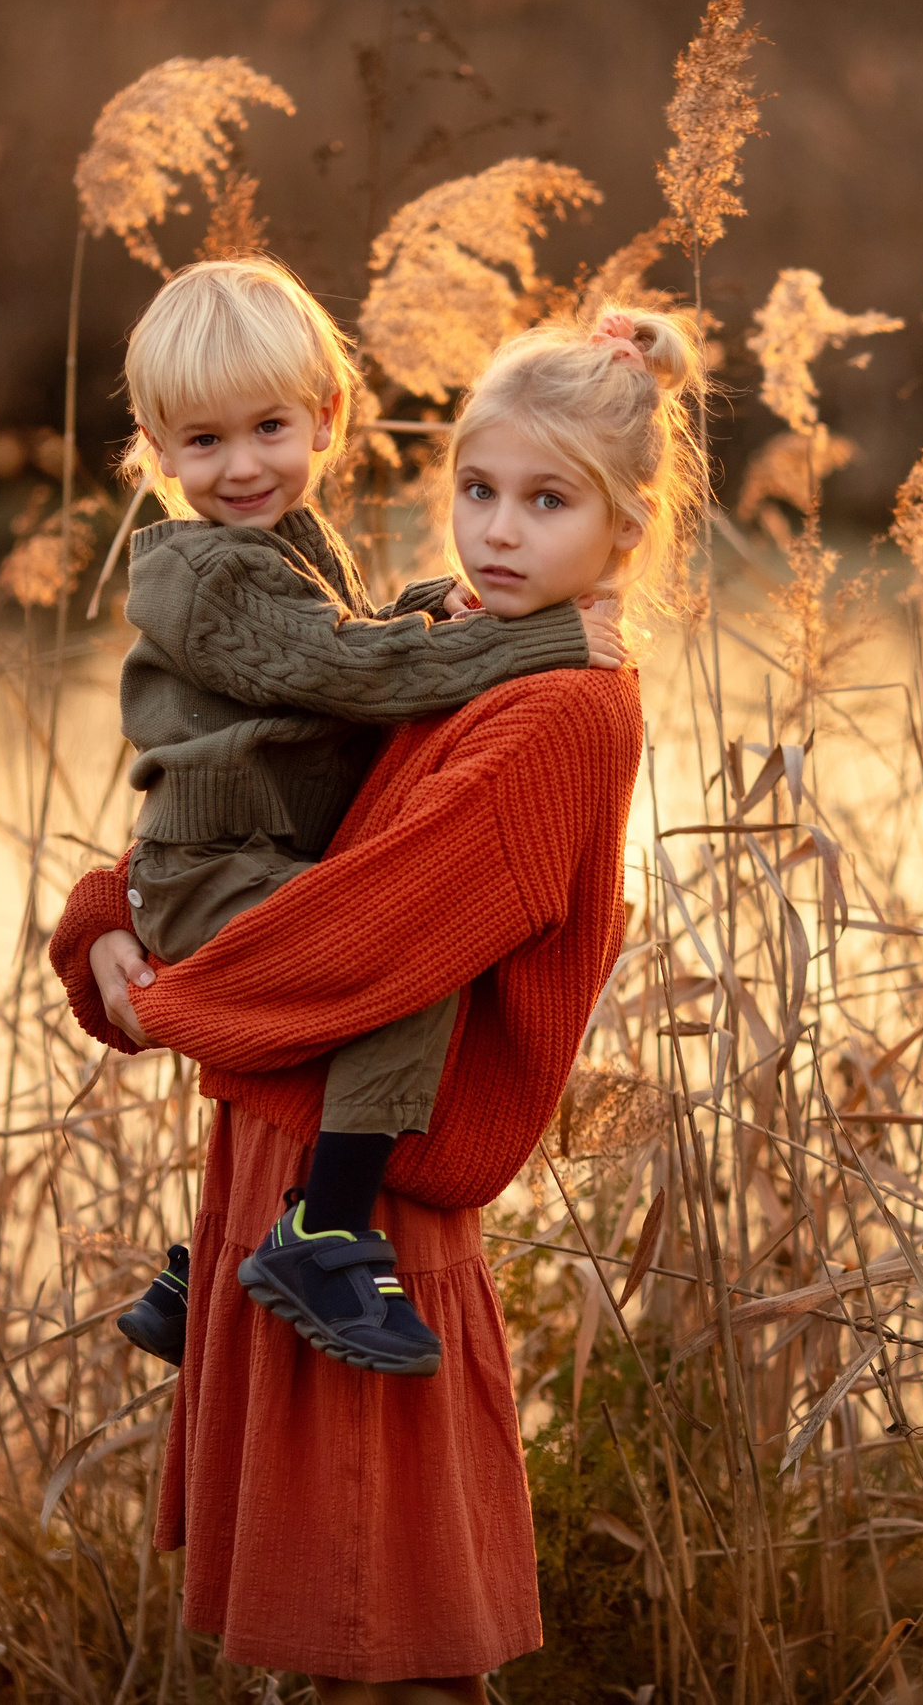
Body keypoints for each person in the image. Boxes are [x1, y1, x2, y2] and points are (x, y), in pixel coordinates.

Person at [48, 304, 706, 1699]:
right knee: (331, 1633)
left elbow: (374, 928)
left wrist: (170, 1000)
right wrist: (112, 910)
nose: (498, 531)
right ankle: (213, 1264)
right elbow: (293, 805)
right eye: (478, 490)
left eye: (545, 502)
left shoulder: (564, 706)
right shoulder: (476, 642)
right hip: (288, 1152)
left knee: (389, 1635)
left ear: (625, 529)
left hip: (369, 1201)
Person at [99, 255, 624, 1376]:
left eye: (267, 428)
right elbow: (344, 672)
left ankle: (209, 1266)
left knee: (381, 946)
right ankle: (325, 1225)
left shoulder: (289, 544)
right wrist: (531, 635)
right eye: (202, 443)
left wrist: (439, 613)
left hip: (243, 856)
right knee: (398, 966)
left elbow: (348, 653)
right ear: (154, 443)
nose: (242, 466)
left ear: (327, 417)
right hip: (214, 871)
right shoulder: (208, 575)